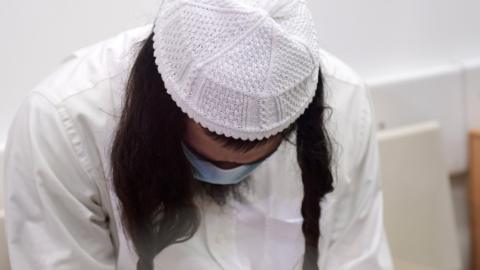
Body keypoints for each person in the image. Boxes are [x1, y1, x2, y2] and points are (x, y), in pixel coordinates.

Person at [3, 0, 394, 269]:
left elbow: (355, 258)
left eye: (257, 156)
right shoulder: (62, 125)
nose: (231, 169)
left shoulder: (342, 102)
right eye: (215, 155)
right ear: (164, 100)